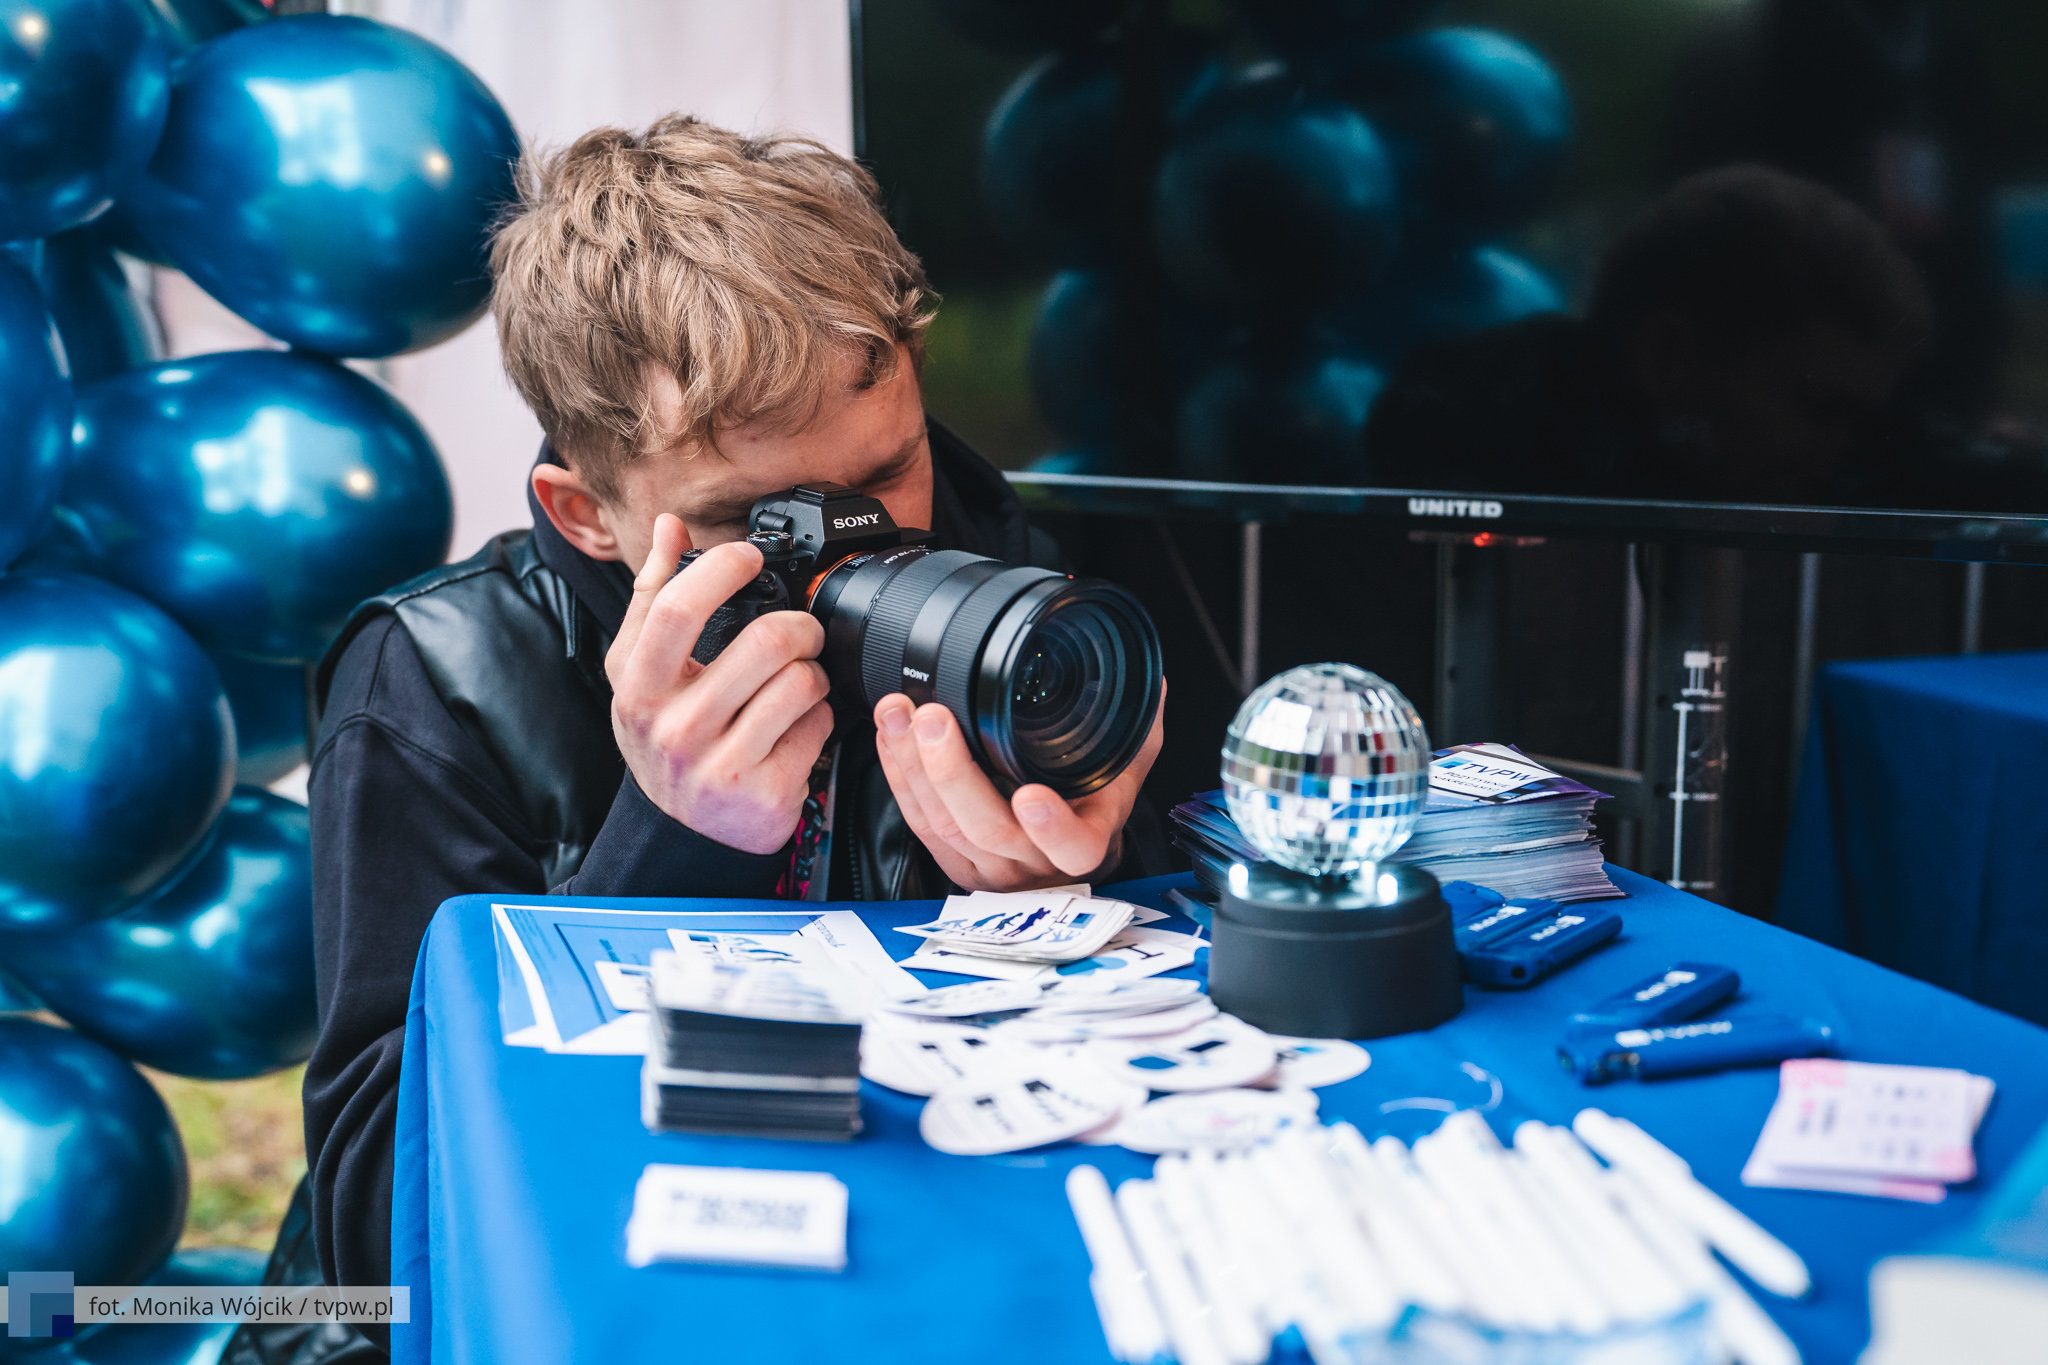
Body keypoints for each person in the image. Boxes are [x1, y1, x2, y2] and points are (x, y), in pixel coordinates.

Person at [293, 115, 1169, 1353]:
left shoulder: (1021, 606)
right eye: (764, 523)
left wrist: (1074, 899)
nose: (855, 551)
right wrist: (668, 846)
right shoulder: (437, 683)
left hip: (917, 1266)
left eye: (887, 475)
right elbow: (378, 1229)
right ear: (586, 515)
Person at [1367, 164, 1934, 504]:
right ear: (1668, 357)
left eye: (1860, 423)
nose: (1838, 454)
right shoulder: (1465, 442)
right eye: (1820, 409)